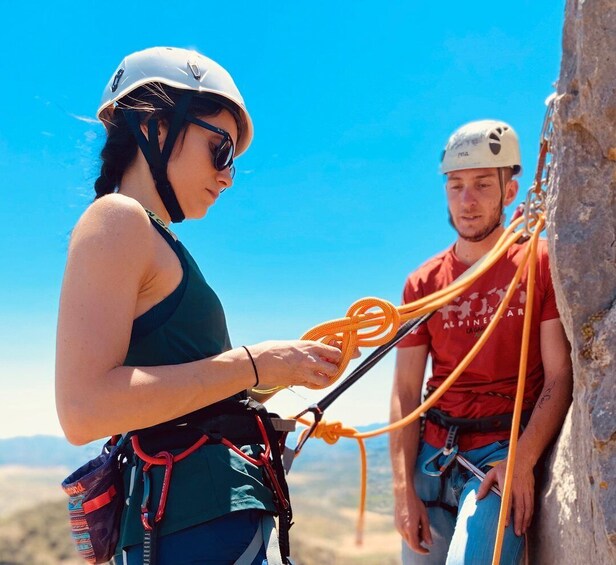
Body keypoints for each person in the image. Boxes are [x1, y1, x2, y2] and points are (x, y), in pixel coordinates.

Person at [55, 46, 343, 565]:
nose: (229, 175)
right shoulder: (118, 219)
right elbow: (83, 408)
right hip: (189, 533)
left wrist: (272, 375)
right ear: (159, 128)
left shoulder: (153, 237)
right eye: (221, 149)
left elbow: (182, 386)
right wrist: (256, 363)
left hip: (203, 529)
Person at [389, 120, 573, 565]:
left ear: (510, 192)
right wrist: (402, 489)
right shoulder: (424, 283)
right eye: (456, 186)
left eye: (482, 185)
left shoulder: (538, 262)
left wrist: (523, 459)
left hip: (499, 454)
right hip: (433, 455)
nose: (467, 202)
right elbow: (405, 392)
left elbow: (559, 375)